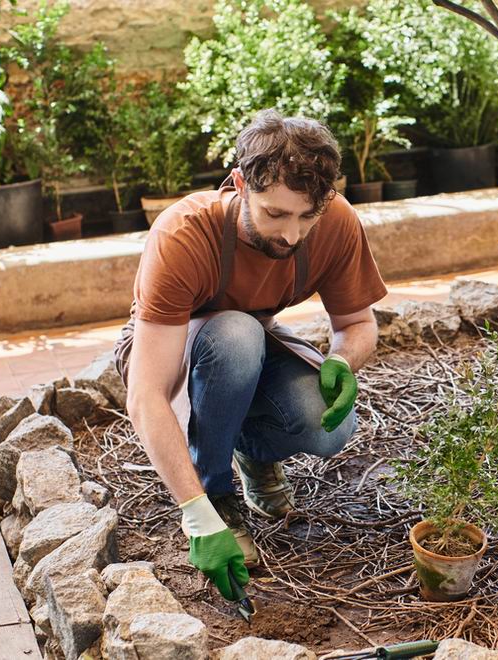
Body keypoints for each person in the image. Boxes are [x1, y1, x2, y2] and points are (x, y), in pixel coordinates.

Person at [113, 109, 387, 601]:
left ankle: (251, 453)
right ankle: (216, 491)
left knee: (329, 424)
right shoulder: (184, 235)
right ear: (240, 184)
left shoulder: (335, 223)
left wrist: (343, 361)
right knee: (236, 335)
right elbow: (146, 395)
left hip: (254, 347)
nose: (291, 235)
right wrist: (195, 513)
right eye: (275, 214)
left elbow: (357, 324)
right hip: (172, 357)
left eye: (307, 216)